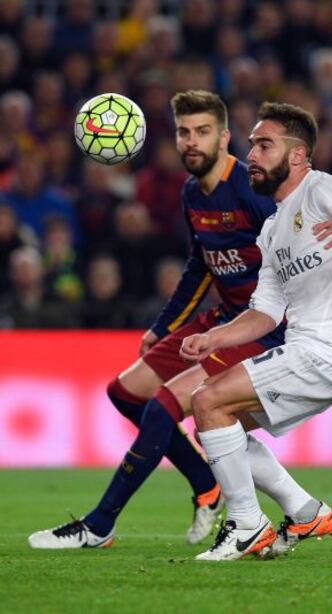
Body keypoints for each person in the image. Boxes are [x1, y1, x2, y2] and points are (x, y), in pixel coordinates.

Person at [28, 90, 306, 549]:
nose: (191, 142)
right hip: (221, 317)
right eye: (183, 132)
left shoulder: (253, 191)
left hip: (262, 325)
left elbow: (298, 255)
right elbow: (202, 264)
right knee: (125, 392)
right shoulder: (192, 193)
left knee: (163, 404)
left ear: (225, 137)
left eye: (202, 132)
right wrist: (165, 326)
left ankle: (98, 526)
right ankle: (205, 482)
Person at [180, 101, 332, 561]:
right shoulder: (272, 229)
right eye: (252, 146)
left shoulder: (325, 189)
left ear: (298, 155)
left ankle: (246, 525)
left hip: (329, 348)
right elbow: (265, 313)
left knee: (207, 399)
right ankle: (304, 511)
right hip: (312, 350)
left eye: (265, 145)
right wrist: (214, 338)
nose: (253, 156)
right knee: (217, 425)